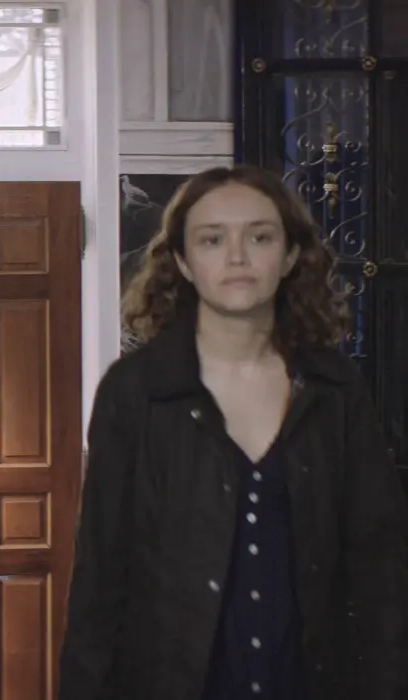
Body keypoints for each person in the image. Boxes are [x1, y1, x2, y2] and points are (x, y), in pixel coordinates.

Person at [58, 164, 408, 700]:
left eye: (260, 237)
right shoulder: (136, 392)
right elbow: (99, 579)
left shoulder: (335, 390)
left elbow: (381, 566)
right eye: (213, 239)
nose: (237, 256)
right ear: (183, 261)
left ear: (290, 256)